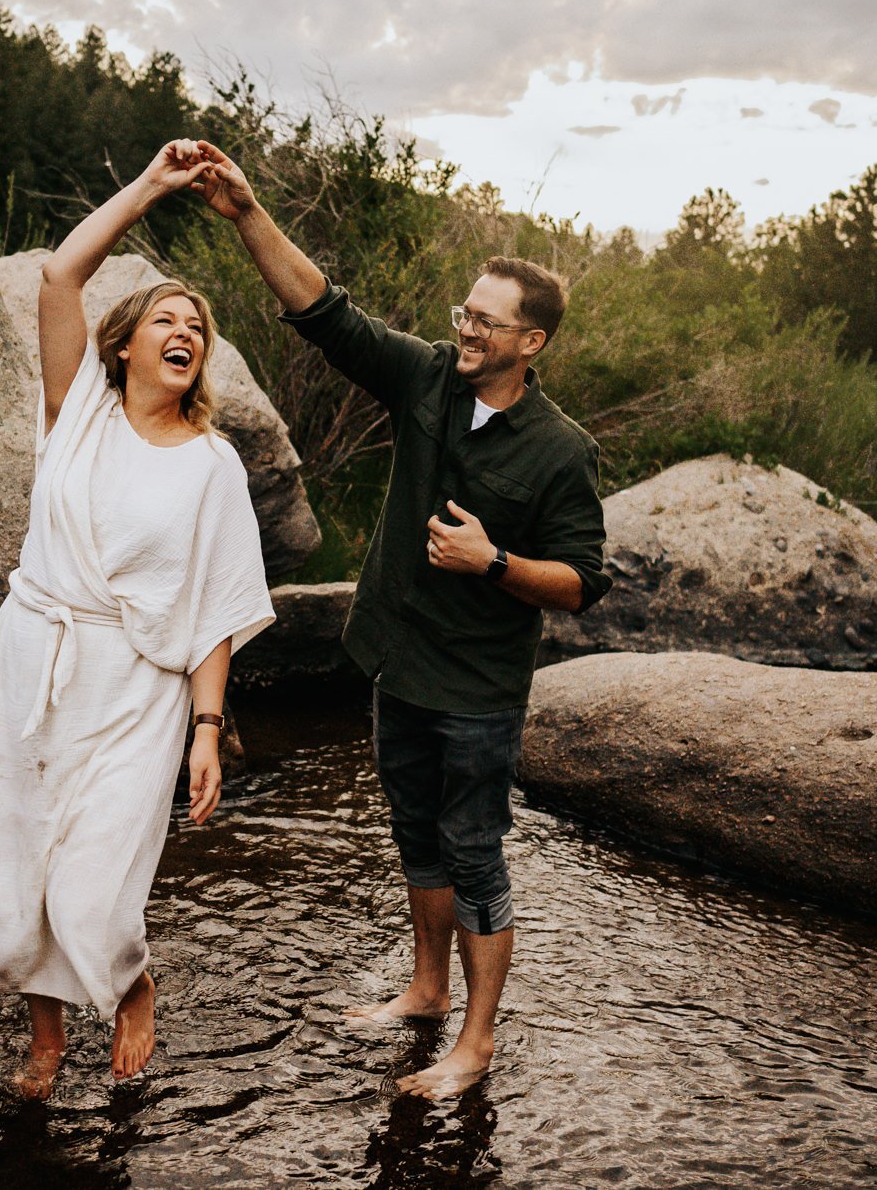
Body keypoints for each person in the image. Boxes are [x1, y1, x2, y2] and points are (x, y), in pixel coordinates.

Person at [187, 141, 610, 1098]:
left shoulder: (562, 452)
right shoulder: (427, 376)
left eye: (486, 321)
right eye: (465, 311)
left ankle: (476, 1040)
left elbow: (584, 583)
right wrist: (247, 210)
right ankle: (424, 991)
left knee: (476, 854)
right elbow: (322, 311)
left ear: (530, 342)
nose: (465, 329)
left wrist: (492, 561)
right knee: (415, 832)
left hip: (478, 691)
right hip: (397, 662)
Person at [0, 141, 276, 1099]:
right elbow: (59, 272)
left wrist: (208, 731)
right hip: (35, 657)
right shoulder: (74, 410)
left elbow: (219, 603)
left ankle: (130, 979)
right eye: (164, 318)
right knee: (14, 871)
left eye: (196, 327)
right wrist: (152, 189)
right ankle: (45, 1041)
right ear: (122, 346)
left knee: (90, 882)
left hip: (138, 685)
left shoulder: (214, 466)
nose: (184, 331)